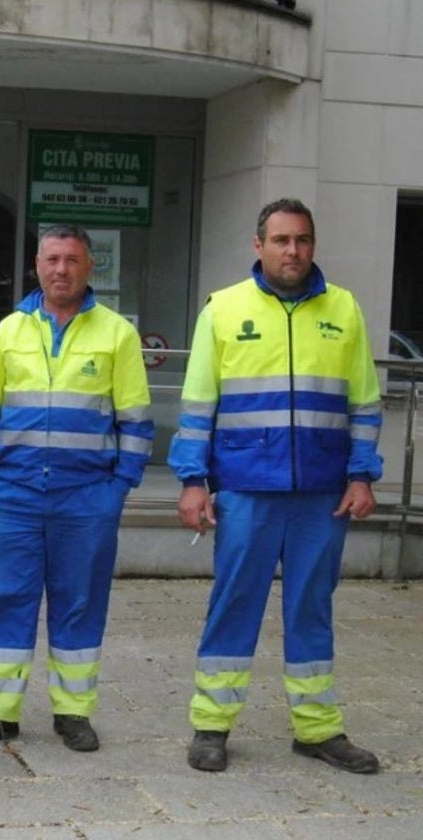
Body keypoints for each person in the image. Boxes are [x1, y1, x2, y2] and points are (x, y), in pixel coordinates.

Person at [170, 198, 383, 774]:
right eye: (282, 240)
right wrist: (193, 481)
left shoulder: (345, 309)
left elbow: (364, 402)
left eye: (304, 240)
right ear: (257, 245)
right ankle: (211, 725)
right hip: (245, 489)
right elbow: (197, 407)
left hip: (323, 492)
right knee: (234, 604)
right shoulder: (222, 309)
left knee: (312, 607)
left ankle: (316, 729)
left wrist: (363, 475)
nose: (294, 251)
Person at [0, 224, 153, 753]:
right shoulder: (10, 330)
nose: (61, 269)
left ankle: (73, 712)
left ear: (90, 267)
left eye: (72, 259)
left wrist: (118, 488)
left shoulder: (117, 334)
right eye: (52, 259)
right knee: (2, 599)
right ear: (37, 265)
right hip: (10, 494)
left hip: (86, 497)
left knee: (80, 602)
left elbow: (135, 420)